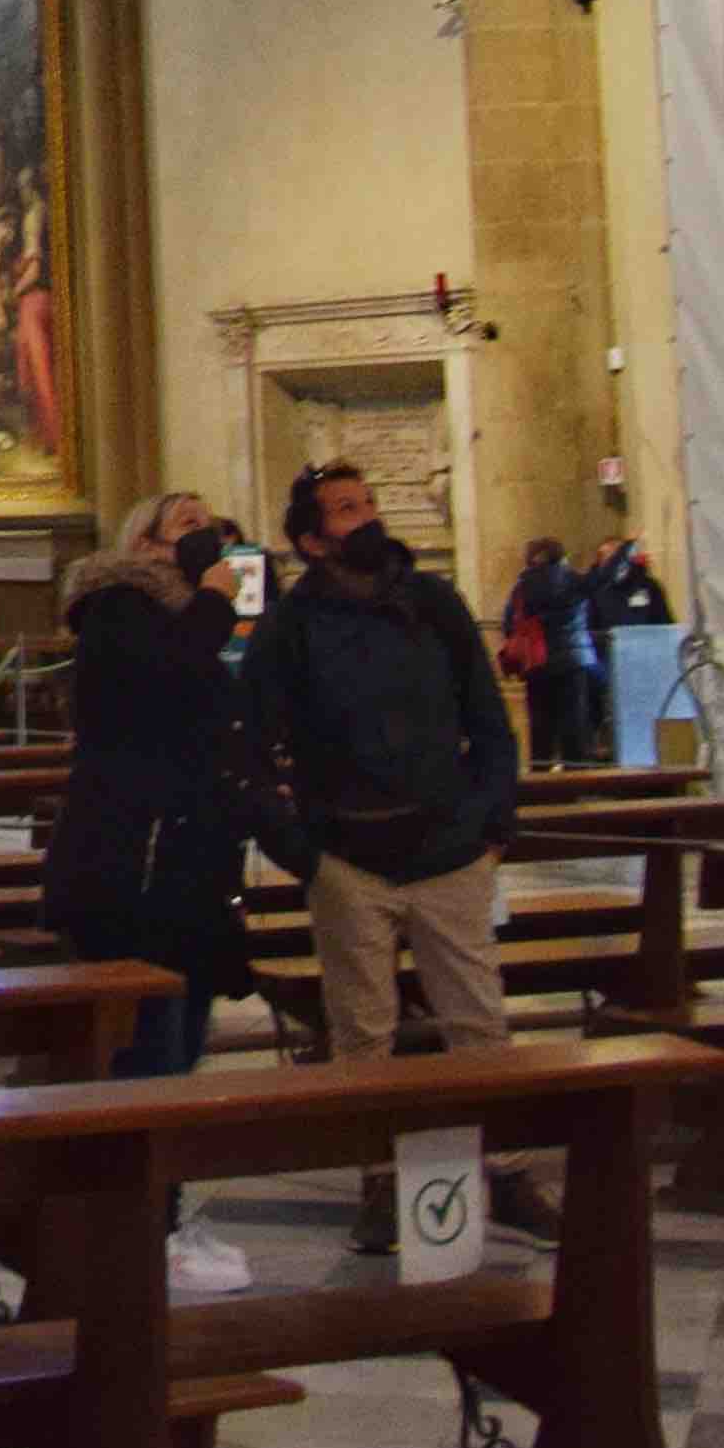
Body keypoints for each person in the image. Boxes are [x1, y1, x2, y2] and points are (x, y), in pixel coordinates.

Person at [242, 460, 545, 1249]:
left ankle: (507, 1170)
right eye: (346, 509)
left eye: (368, 502)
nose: (366, 516)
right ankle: (379, 1182)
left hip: (446, 849)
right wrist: (303, 854)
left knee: (478, 1021)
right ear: (311, 539)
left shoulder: (433, 603)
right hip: (350, 858)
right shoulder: (291, 626)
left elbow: (488, 720)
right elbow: (248, 750)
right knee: (363, 1032)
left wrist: (491, 823)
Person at [42, 491, 257, 1297]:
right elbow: (169, 676)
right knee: (147, 1046)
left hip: (190, 861)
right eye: (187, 524)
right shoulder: (114, 605)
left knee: (184, 1040)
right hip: (133, 866)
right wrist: (211, 601)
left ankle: (159, 1214)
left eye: (212, 526)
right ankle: (138, 1226)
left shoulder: (190, 615)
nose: (205, 537)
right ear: (146, 541)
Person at [503, 534, 606, 770]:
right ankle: (577, 782)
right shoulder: (572, 580)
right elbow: (601, 579)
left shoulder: (522, 586)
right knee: (575, 725)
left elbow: (509, 624)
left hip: (536, 662)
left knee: (540, 727)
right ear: (562, 556)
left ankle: (543, 783)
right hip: (573, 661)